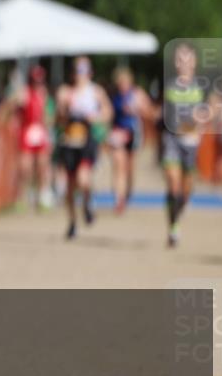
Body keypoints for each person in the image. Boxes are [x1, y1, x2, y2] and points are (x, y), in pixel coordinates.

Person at [159, 43, 220, 247]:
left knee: (186, 189)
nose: (182, 63)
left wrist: (202, 116)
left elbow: (214, 108)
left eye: (186, 59)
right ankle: (173, 227)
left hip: (192, 141)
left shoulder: (202, 85)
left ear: (194, 62)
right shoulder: (168, 84)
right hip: (172, 139)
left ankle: (179, 209)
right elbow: (161, 111)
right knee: (173, 184)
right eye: (179, 59)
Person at [55, 56, 113, 240]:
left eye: (84, 70)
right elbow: (57, 118)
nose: (80, 75)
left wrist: (95, 117)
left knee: (83, 179)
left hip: (87, 141)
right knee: (70, 187)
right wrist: (64, 110)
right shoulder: (65, 92)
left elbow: (108, 112)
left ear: (89, 72)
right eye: (77, 70)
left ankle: (88, 202)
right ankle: (72, 221)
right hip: (69, 141)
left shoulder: (96, 91)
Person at [107, 67, 153, 213]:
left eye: (125, 82)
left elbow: (149, 111)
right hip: (118, 133)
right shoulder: (113, 95)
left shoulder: (137, 94)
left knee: (130, 168)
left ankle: (128, 193)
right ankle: (118, 198)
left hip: (133, 133)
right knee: (119, 165)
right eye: (120, 83)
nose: (122, 85)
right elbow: (109, 114)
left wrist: (138, 109)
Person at [13, 65, 54, 210]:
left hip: (40, 131)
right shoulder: (24, 93)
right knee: (26, 167)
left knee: (43, 166)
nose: (38, 84)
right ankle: (22, 197)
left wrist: (44, 105)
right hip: (27, 131)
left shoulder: (44, 95)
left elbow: (49, 117)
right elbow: (15, 111)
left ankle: (42, 197)